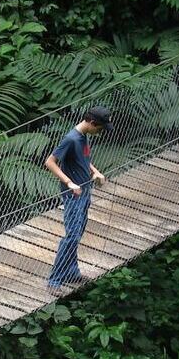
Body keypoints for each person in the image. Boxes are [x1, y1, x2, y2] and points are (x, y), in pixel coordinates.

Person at [44, 106, 113, 295]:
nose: (100, 132)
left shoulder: (83, 137)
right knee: (72, 235)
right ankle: (54, 280)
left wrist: (95, 171)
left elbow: (83, 158)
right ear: (91, 123)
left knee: (78, 231)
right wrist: (69, 182)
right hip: (73, 194)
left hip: (84, 191)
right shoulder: (71, 139)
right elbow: (49, 162)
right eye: (100, 128)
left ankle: (72, 273)